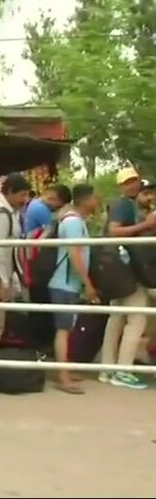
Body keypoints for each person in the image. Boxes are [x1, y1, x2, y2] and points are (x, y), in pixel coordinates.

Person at [100, 167, 156, 389]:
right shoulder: (123, 204)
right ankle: (123, 370)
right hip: (125, 271)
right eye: (128, 182)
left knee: (116, 319)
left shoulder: (127, 205)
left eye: (135, 181)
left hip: (116, 271)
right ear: (121, 185)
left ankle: (107, 368)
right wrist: (147, 225)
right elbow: (114, 231)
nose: (132, 185)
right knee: (137, 319)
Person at [48, 183, 99, 394]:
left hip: (69, 283)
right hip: (65, 283)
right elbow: (74, 254)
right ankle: (63, 376)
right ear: (86, 199)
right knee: (63, 330)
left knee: (67, 329)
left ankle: (65, 370)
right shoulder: (73, 223)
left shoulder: (75, 221)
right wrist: (88, 284)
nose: (98, 202)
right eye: (95, 198)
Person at [0, 173, 30, 354]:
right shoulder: (2, 214)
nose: (24, 200)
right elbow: (0, 249)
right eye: (21, 195)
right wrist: (5, 282)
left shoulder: (5, 210)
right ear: (9, 192)